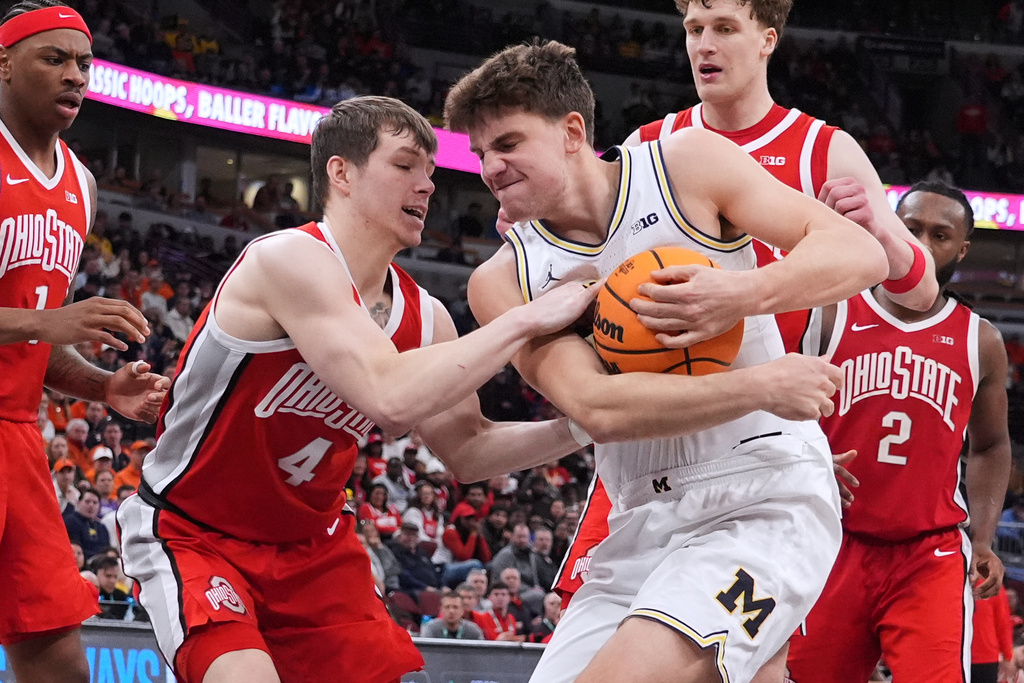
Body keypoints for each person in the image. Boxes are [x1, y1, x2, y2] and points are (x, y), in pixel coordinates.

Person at [445, 40, 887, 683]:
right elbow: (596, 409)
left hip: (762, 497)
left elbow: (859, 254)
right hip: (638, 525)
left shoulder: (686, 165)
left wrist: (740, 293)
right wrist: (761, 386)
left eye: (508, 143)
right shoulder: (503, 279)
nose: (490, 166)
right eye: (480, 152)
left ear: (572, 132)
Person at [116, 95, 599, 683]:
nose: (427, 185)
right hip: (195, 533)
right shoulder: (289, 258)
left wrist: (585, 421)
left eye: (430, 171)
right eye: (405, 166)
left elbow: (470, 450)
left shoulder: (426, 318)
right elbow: (386, 395)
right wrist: (528, 317)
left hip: (315, 550)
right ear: (340, 173)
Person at [554, 0, 938, 614]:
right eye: (694, 30)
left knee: (741, 655)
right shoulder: (648, 145)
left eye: (725, 29)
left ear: (767, 39)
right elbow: (595, 287)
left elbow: (919, 296)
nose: (704, 44)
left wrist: (884, 231)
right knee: (599, 623)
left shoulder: (825, 148)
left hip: (761, 425)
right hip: (663, 421)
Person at [786, 182, 1013, 682]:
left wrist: (984, 538)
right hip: (832, 542)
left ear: (963, 249)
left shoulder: (981, 341)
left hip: (926, 554)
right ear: (889, 227)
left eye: (941, 234)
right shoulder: (829, 312)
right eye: (911, 229)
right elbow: (774, 415)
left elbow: (992, 445)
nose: (923, 245)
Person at [0, 4, 167, 681]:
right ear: (4, 62)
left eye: (84, 64)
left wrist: (103, 385)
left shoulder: (80, 184)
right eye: (54, 59)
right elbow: (42, 323)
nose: (75, 76)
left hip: (18, 434)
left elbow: (39, 342)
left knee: (57, 656)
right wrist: (46, 323)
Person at [972, 584, 1016, 683]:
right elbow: (1003, 625)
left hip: (984, 659)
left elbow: (1003, 624)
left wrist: (1008, 655)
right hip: (955, 657)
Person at [420, 592, 485, 640]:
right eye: (447, 607)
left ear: (462, 610)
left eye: (455, 607)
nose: (451, 611)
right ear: (440, 610)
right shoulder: (431, 629)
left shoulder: (473, 630)